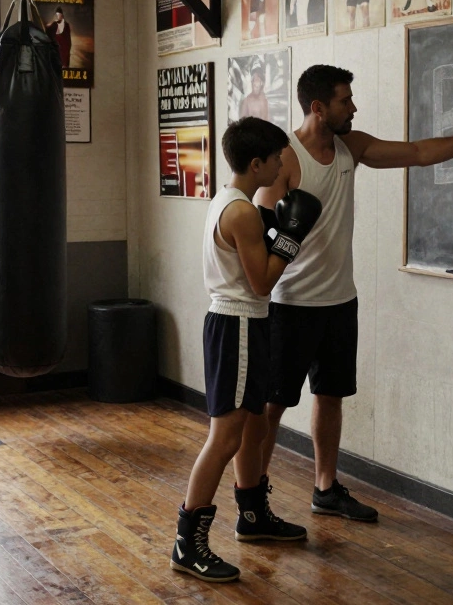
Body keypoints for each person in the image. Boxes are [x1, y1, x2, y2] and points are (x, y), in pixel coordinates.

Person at [254, 65, 453, 523]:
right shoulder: (285, 158)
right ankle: (253, 498)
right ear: (318, 107)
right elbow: (258, 238)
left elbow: (418, 152)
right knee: (272, 405)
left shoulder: (350, 147)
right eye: (345, 100)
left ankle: (325, 488)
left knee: (331, 395)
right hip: (290, 305)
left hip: (340, 300)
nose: (353, 107)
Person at [170, 117, 321, 583]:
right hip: (236, 322)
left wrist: (276, 234)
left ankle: (253, 516)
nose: (282, 165)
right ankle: (186, 543)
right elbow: (262, 282)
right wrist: (291, 240)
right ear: (256, 163)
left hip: (247, 323)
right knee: (226, 436)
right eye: (276, 159)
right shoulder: (239, 212)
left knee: (253, 426)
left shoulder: (232, 201)